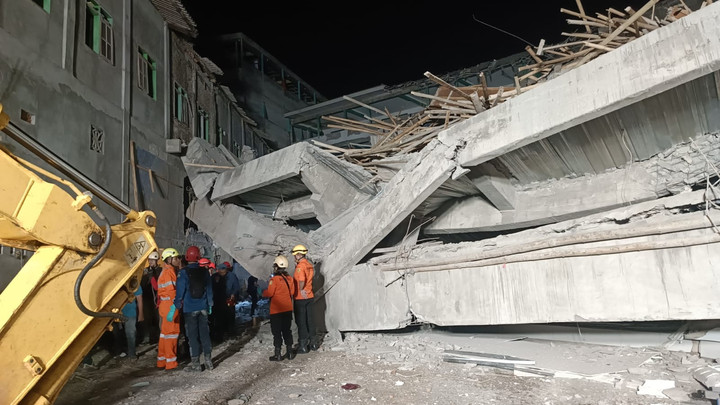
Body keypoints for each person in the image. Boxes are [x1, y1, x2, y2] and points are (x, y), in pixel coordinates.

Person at [174, 245, 214, 372]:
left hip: (190, 309)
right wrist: (210, 304)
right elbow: (209, 289)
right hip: (203, 307)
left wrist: (177, 305)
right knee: (204, 334)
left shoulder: (183, 273)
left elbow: (180, 291)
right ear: (198, 257)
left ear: (187, 257)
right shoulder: (204, 272)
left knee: (192, 336)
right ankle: (208, 362)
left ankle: (196, 365)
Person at [262, 255, 296, 361]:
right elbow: (292, 292)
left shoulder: (274, 279)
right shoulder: (290, 279)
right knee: (287, 330)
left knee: (277, 332)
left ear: (276, 267)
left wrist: (262, 292)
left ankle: (278, 354)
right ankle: (290, 352)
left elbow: (270, 293)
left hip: (276, 310)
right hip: (288, 309)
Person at [157, 247, 182, 370]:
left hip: (166, 305)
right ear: (169, 260)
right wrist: (177, 305)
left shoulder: (167, 271)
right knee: (171, 334)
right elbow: (172, 292)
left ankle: (162, 361)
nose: (178, 260)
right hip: (170, 305)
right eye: (176, 258)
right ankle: (171, 363)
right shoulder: (169, 272)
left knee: (164, 334)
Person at [291, 244, 316, 354]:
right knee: (310, 320)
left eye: (295, 255)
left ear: (298, 255)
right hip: (309, 296)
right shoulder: (309, 265)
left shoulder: (300, 267)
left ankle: (303, 346)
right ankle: (314, 343)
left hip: (301, 297)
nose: (294, 257)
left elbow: (301, 280)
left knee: (301, 322)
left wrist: (301, 290)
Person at [113, 285, 144, 359]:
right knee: (118, 334)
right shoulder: (115, 283)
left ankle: (132, 354)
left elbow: (139, 299)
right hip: (117, 313)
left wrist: (141, 314)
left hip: (130, 313)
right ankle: (122, 351)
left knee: (130, 334)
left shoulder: (133, 283)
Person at [140, 251, 161, 344]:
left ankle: (157, 336)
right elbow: (142, 284)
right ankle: (149, 337)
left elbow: (158, 286)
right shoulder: (145, 271)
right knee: (148, 319)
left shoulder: (160, 271)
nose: (151, 262)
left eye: (153, 260)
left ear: (157, 260)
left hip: (156, 298)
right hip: (147, 298)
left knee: (157, 318)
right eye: (149, 260)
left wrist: (152, 276)